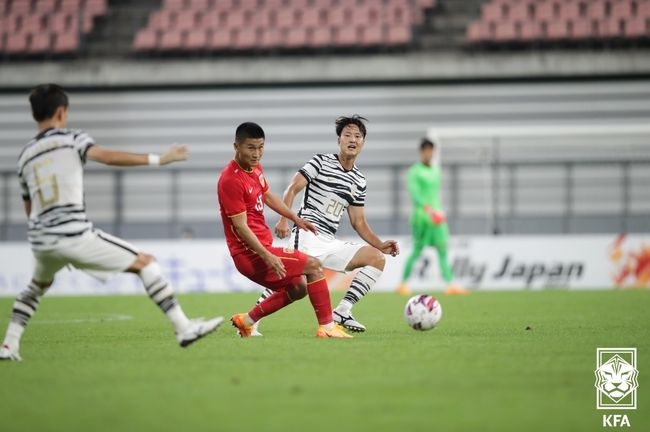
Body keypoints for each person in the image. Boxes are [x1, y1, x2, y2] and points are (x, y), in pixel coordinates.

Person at [0, 84, 223, 362]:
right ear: (61, 112)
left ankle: (9, 346)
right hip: (73, 234)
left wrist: (51, 240)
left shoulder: (25, 156)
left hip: (40, 238)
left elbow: (29, 206)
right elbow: (106, 156)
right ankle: (184, 328)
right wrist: (160, 159)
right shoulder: (72, 140)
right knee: (147, 263)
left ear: (35, 115)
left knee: (36, 287)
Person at [251, 115, 399, 334]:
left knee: (376, 258)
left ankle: (343, 311)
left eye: (358, 136)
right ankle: (251, 320)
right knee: (289, 280)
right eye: (347, 135)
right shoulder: (320, 161)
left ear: (363, 143)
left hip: (329, 240)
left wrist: (380, 245)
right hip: (307, 233)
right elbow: (292, 188)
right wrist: (285, 218)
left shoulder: (359, 180)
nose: (352, 139)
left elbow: (359, 222)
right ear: (338, 140)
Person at [218, 122, 351, 339]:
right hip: (250, 254)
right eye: (251, 148)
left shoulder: (254, 168)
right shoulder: (230, 180)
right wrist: (267, 255)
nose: (257, 153)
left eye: (261, 147)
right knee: (314, 265)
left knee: (299, 288)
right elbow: (241, 228)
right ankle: (327, 327)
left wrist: (294, 218)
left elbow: (268, 196)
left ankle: (247, 321)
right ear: (236, 146)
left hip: (262, 249)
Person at [397, 138, 468, 296]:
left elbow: (434, 194)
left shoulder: (436, 170)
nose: (429, 154)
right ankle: (402, 283)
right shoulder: (415, 171)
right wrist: (429, 210)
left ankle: (450, 284)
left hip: (437, 218)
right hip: (422, 218)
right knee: (417, 250)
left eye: (432, 151)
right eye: (427, 151)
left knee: (443, 249)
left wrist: (438, 211)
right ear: (421, 152)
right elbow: (415, 195)